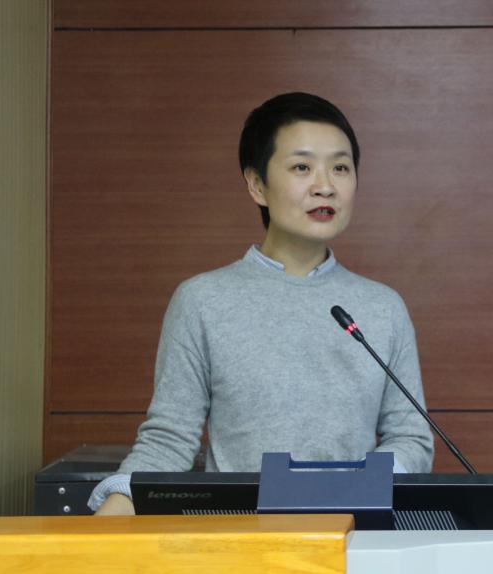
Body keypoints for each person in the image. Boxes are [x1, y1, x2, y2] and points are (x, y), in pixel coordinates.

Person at [89, 92, 434, 515]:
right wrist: (114, 511)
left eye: (341, 168)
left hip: (352, 534)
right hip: (237, 537)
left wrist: (352, 489)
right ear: (257, 185)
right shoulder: (202, 301)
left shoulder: (383, 307)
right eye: (302, 167)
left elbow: (410, 438)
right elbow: (169, 440)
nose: (325, 185)